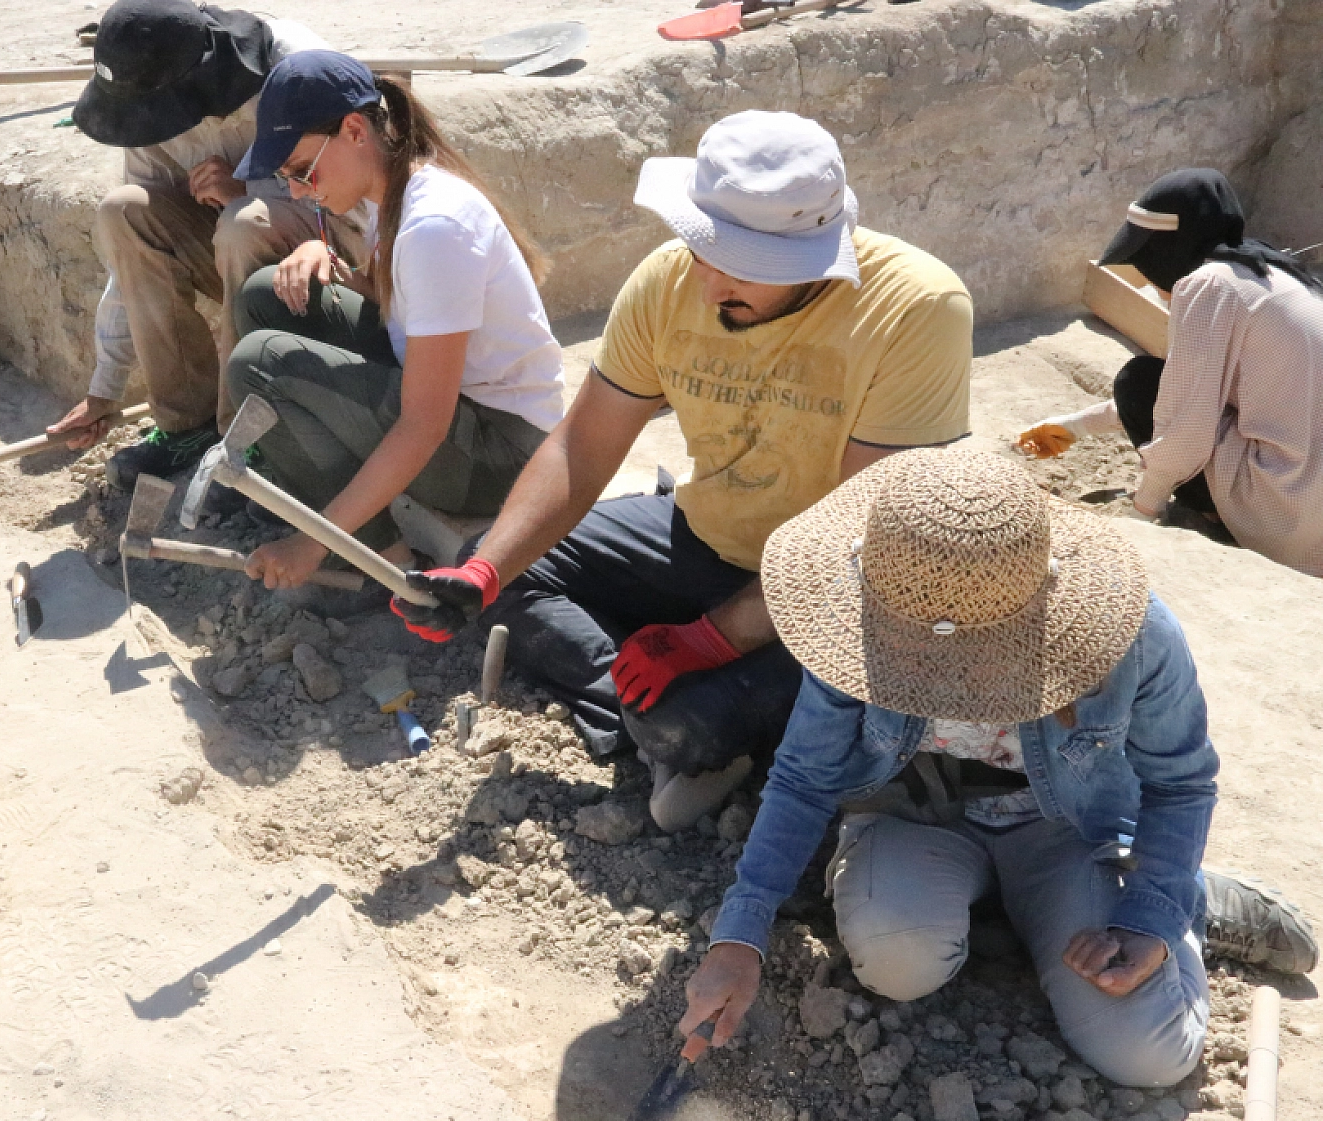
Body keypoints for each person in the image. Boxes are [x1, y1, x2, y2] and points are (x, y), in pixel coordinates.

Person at [390, 111, 974, 830]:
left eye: (739, 268)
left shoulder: (916, 309)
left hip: (836, 599)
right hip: (703, 536)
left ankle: (684, 730)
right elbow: (583, 446)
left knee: (686, 721)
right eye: (703, 250)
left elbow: (853, 539)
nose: (706, 287)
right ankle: (659, 722)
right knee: (502, 566)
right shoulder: (668, 282)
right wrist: (482, 576)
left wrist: (707, 640)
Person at [679, 448, 1317, 1090]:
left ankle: (1190, 895)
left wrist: (1150, 916)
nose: (934, 670)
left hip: (1069, 832)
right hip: (915, 817)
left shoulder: (1137, 637)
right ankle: (1005, 907)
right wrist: (740, 934)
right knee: (899, 962)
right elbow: (804, 778)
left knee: (1150, 1058)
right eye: (912, 646)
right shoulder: (861, 609)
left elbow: (1179, 784)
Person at [217, 51, 565, 589]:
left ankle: (374, 556)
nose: (295, 191)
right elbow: (403, 305)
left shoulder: (435, 228)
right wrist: (327, 261)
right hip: (467, 415)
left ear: (354, 130)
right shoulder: (399, 191)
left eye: (301, 172)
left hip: (503, 455)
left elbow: (423, 424)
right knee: (266, 297)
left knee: (258, 366)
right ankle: (326, 498)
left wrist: (312, 542)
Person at [44, 0, 367, 490]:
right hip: (232, 254)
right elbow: (131, 257)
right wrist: (105, 387)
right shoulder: (147, 102)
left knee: (244, 221)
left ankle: (246, 438)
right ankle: (186, 427)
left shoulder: (295, 70)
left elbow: (359, 205)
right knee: (124, 212)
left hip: (330, 261)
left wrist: (250, 190)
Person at [1018, 169, 1323, 577]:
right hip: (1312, 498)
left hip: (1285, 512)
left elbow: (1186, 423)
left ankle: (1212, 518)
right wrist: (1075, 426)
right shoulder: (1267, 270)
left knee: (1138, 381)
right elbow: (1191, 392)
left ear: (1169, 248)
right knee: (1151, 386)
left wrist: (1144, 510)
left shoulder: (1209, 285)